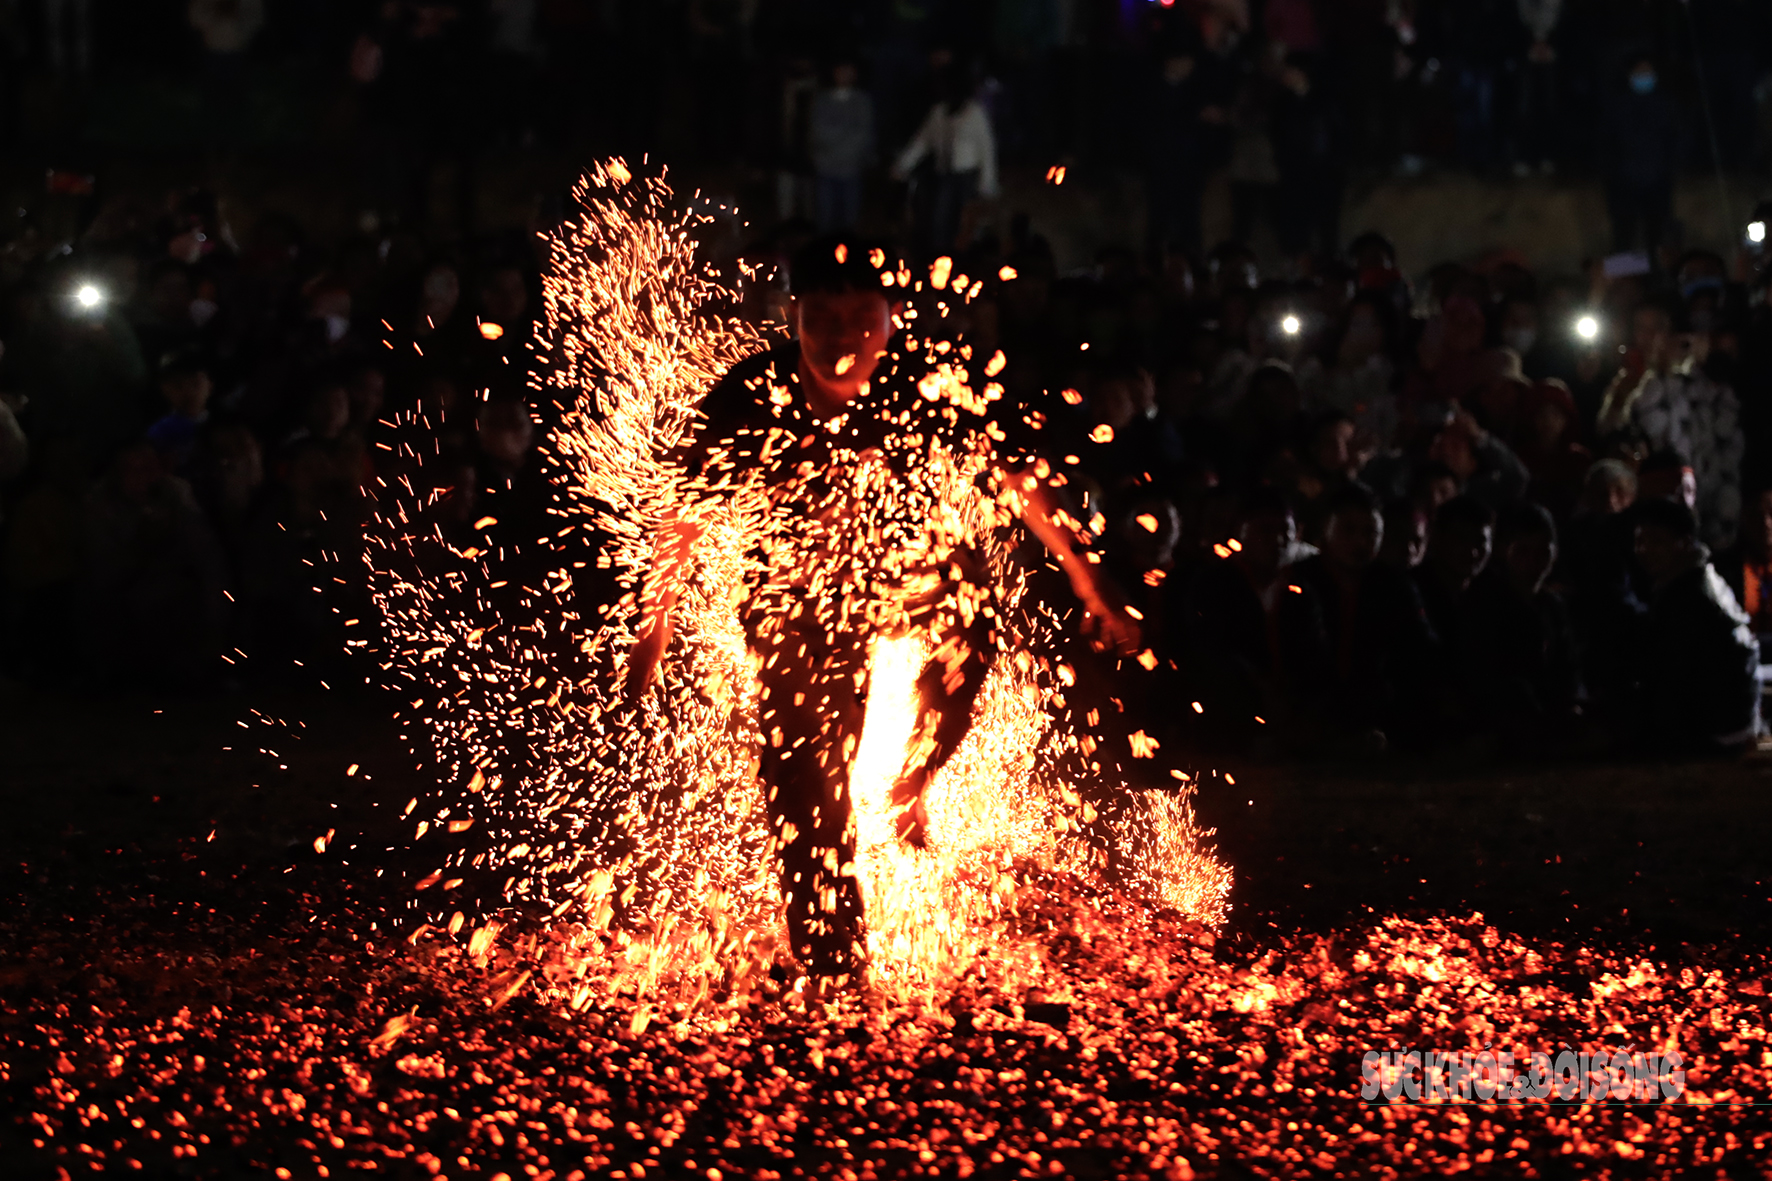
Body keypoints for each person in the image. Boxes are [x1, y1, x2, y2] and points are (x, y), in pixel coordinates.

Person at [623, 236, 1140, 983]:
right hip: (795, 594)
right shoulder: (749, 395)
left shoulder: (923, 385)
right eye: (820, 316)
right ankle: (832, 958)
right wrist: (655, 624)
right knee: (806, 775)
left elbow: (1024, 485)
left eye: (859, 316)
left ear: (892, 317)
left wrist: (1094, 588)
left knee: (968, 615)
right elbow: (681, 515)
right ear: (792, 317)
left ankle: (911, 779)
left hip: (911, 567)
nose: (840, 335)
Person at [1630, 497, 1760, 754]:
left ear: (1685, 542)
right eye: (1640, 541)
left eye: (1656, 541)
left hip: (1715, 732)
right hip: (1735, 723)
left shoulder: (1688, 598)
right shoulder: (1699, 578)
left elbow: (1673, 682)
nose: (1644, 550)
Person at [892, 70, 1000, 256]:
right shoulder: (938, 113)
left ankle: (964, 264)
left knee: (967, 224)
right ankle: (940, 262)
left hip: (968, 176)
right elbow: (922, 142)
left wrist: (987, 184)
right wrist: (902, 166)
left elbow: (986, 149)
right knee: (940, 221)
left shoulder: (975, 113)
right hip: (944, 175)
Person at [808, 59, 875, 232]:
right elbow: (818, 130)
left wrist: (844, 148)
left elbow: (863, 133)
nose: (844, 74)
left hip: (851, 169)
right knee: (824, 218)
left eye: (848, 70)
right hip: (826, 167)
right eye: (840, 70)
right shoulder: (822, 100)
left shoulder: (862, 101)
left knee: (850, 221)